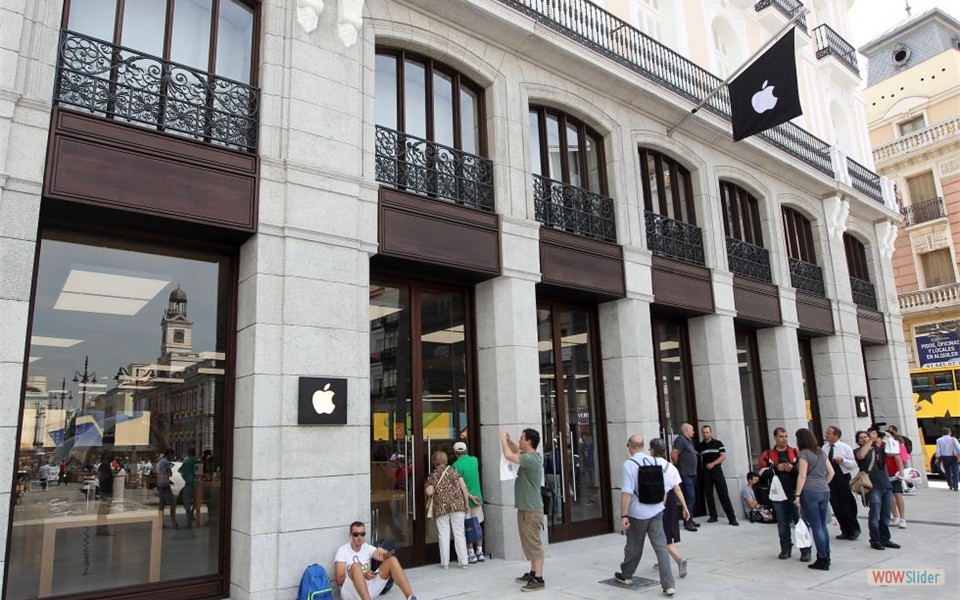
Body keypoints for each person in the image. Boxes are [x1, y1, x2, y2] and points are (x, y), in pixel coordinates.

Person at [615, 435, 687, 597]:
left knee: (634, 545)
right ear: (642, 446)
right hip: (656, 510)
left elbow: (627, 492)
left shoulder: (629, 464)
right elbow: (664, 487)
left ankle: (627, 575)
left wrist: (624, 515)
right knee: (661, 547)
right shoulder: (654, 461)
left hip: (637, 513)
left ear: (630, 446)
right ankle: (668, 584)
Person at [501, 428, 545, 592]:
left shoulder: (532, 459)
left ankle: (539, 578)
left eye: (521, 438)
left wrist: (503, 440)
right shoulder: (528, 456)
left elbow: (509, 455)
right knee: (528, 543)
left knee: (534, 544)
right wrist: (510, 440)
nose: (519, 441)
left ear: (528, 441)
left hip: (532, 509)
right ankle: (533, 572)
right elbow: (515, 450)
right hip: (526, 507)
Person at [334, 521, 418, 600]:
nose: (359, 537)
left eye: (362, 534)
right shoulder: (343, 551)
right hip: (350, 592)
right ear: (350, 536)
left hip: (368, 587)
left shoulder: (366, 547)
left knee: (392, 560)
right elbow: (339, 580)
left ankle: (410, 597)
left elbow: (385, 558)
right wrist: (362, 576)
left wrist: (385, 553)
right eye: (356, 534)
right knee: (355, 566)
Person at [424, 449, 475, 569]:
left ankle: (445, 563)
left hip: (441, 507)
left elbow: (429, 491)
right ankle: (463, 562)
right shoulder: (454, 471)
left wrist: (428, 488)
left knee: (443, 534)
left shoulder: (434, 475)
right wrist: (466, 504)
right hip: (457, 506)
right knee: (459, 533)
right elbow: (464, 489)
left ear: (434, 462)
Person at [758, 427, 802, 560]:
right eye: (781, 436)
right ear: (775, 437)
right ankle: (785, 549)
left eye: (786, 436)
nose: (784, 439)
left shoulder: (795, 452)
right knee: (782, 522)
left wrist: (792, 469)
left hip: (794, 491)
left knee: (800, 522)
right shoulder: (767, 454)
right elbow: (762, 474)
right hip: (777, 493)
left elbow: (803, 471)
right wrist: (775, 468)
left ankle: (805, 549)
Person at [794, 428, 834, 570]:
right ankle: (826, 555)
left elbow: (802, 475)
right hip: (824, 490)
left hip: (810, 491)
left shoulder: (804, 453)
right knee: (822, 525)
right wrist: (823, 484)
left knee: (815, 526)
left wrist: (797, 495)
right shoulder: (820, 451)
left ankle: (822, 558)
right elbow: (831, 472)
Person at [649, 438, 690, 579]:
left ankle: (679, 559)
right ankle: (662, 561)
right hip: (671, 501)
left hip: (656, 500)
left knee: (660, 535)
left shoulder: (649, 464)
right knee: (664, 532)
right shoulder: (671, 467)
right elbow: (677, 489)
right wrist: (685, 507)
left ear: (653, 450)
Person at [856, 428, 900, 551]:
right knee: (875, 515)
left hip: (886, 485)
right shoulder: (858, 451)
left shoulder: (880, 449)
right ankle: (875, 540)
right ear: (858, 441)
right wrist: (870, 440)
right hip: (872, 486)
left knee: (885, 515)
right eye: (862, 438)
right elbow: (861, 456)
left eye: (866, 436)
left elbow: (894, 452)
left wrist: (887, 437)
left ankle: (885, 539)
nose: (865, 439)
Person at [822, 426, 861, 541]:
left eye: (829, 433)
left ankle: (854, 528)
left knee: (847, 504)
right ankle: (844, 529)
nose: (826, 435)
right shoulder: (825, 447)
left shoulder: (845, 447)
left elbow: (854, 464)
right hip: (830, 478)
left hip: (842, 477)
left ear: (836, 435)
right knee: (836, 504)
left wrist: (843, 461)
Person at [696, 425, 739, 526]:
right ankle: (713, 516)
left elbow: (723, 456)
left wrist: (713, 464)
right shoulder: (699, 446)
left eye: (707, 432)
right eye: (704, 432)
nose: (706, 434)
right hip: (706, 472)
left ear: (711, 433)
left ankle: (732, 518)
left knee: (723, 494)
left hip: (717, 471)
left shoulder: (718, 443)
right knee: (709, 494)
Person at [451, 441, 485, 563]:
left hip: (465, 500)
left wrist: (468, 498)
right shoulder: (475, 460)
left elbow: (460, 486)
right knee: (478, 524)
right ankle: (480, 551)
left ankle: (470, 552)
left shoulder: (455, 466)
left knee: (468, 526)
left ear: (455, 453)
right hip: (478, 498)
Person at [671, 423, 699, 532]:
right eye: (692, 429)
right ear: (686, 430)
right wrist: (678, 465)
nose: (693, 432)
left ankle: (690, 519)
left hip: (692, 473)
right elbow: (674, 454)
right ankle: (688, 522)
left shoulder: (689, 440)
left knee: (691, 498)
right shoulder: (680, 440)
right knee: (689, 497)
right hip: (685, 473)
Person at [880, 427, 906, 528]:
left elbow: (898, 459)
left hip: (894, 475)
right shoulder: (880, 448)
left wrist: (901, 473)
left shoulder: (892, 446)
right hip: (885, 475)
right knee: (889, 497)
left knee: (897, 495)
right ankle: (896, 517)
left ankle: (902, 518)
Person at [179, 447, 200, 528]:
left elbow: (180, 471)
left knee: (187, 504)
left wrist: (185, 478)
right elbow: (199, 474)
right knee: (197, 502)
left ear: (188, 454)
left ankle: (189, 523)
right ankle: (195, 517)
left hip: (187, 484)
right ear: (195, 454)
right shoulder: (197, 462)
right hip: (195, 485)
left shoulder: (185, 463)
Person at [156, 449, 177, 528]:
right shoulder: (166, 462)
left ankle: (160, 522)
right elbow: (170, 473)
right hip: (165, 485)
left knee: (162, 504)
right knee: (173, 503)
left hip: (160, 484)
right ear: (168, 454)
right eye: (172, 455)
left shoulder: (160, 462)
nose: (172, 457)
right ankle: (174, 522)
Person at [96, 451, 116, 536]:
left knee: (103, 510)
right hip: (105, 490)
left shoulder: (105, 465)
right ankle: (103, 529)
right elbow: (103, 477)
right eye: (111, 454)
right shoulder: (105, 465)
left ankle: (100, 528)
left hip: (105, 490)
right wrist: (111, 475)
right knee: (104, 510)